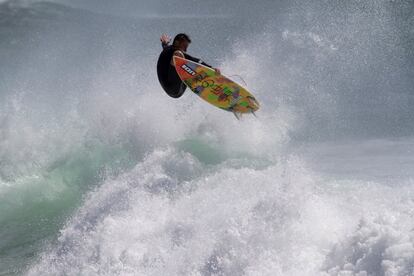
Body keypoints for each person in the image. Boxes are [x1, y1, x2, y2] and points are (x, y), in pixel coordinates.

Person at [157, 33, 220, 98]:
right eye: (184, 46)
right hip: (173, 88)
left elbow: (165, 46)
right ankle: (198, 80)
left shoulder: (167, 49)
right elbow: (193, 59)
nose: (186, 50)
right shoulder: (174, 52)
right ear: (177, 42)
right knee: (179, 55)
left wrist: (164, 42)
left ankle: (199, 81)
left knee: (185, 62)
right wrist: (211, 68)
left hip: (178, 90)